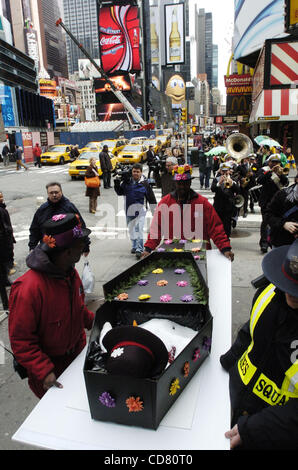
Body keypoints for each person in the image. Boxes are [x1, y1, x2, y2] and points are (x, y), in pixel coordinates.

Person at [8, 213, 95, 399]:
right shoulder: (28, 289)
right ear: (67, 252)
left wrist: (99, 323)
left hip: (77, 356)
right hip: (51, 369)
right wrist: (43, 370)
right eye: (80, 244)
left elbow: (78, 310)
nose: (84, 247)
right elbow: (21, 340)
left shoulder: (70, 273)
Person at [222, 240, 298, 450]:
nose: (291, 293)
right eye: (289, 285)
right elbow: (250, 332)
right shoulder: (270, 292)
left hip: (274, 432)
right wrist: (227, 361)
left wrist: (256, 429)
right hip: (240, 408)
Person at [142, 164, 234, 261]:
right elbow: (156, 229)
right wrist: (148, 248)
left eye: (185, 183)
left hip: (199, 252)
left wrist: (225, 248)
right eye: (179, 183)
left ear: (190, 182)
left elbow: (215, 228)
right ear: (175, 183)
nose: (182, 186)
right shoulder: (165, 203)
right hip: (173, 252)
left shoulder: (202, 203)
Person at [28, 182, 90, 254]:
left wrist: (86, 246)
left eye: (56, 192)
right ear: (48, 194)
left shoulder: (69, 207)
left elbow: (81, 226)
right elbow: (35, 230)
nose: (54, 195)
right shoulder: (42, 210)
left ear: (61, 192)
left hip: (67, 251)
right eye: (51, 193)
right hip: (48, 250)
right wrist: (32, 247)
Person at [114, 163, 157, 259]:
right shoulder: (127, 182)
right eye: (134, 171)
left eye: (138, 172)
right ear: (131, 172)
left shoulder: (145, 184)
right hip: (128, 209)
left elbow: (151, 198)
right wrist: (117, 183)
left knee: (139, 229)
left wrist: (155, 211)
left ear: (141, 172)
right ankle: (134, 246)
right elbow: (120, 192)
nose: (135, 173)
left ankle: (139, 249)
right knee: (131, 229)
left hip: (141, 210)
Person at [257, 154, 289, 253]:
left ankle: (274, 241)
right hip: (266, 201)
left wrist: (280, 174)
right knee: (265, 222)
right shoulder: (264, 170)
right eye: (273, 162)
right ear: (269, 162)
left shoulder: (281, 170)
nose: (275, 164)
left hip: (277, 202)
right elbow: (260, 180)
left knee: (276, 222)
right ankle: (264, 243)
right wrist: (270, 171)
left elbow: (286, 183)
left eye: (277, 162)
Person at [265, 172, 298, 247]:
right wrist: (284, 224)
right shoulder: (282, 195)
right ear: (297, 180)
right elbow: (268, 215)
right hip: (281, 242)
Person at [211, 163, 240, 239]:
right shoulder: (216, 179)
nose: (224, 173)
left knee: (227, 225)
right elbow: (212, 189)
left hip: (228, 207)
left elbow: (238, 190)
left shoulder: (233, 179)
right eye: (223, 171)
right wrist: (219, 183)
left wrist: (232, 183)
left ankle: (226, 240)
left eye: (226, 171)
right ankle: (220, 239)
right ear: (220, 171)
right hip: (219, 206)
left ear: (229, 171)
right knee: (219, 225)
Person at [0, 191, 15, 312]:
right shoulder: (1, 210)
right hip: (3, 245)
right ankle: (6, 305)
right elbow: (5, 229)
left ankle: (5, 281)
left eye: (1, 195)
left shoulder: (2, 208)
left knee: (3, 272)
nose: (1, 198)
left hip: (5, 243)